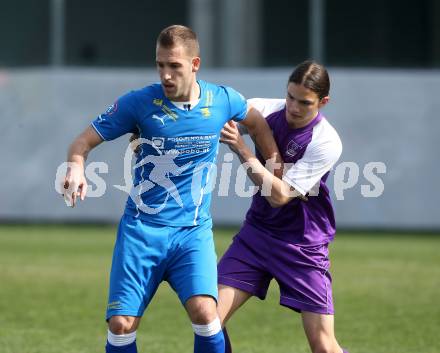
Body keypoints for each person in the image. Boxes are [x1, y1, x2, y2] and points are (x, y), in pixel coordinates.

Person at [61, 25, 280, 353]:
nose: (166, 74)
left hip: (191, 234)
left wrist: (274, 166)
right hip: (141, 232)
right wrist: (76, 166)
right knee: (121, 324)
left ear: (195, 65)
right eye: (160, 64)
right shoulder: (138, 103)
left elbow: (257, 122)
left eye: (174, 65)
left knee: (207, 314)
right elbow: (82, 142)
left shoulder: (222, 100)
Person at [218, 60, 348, 353]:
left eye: (305, 102)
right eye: (290, 96)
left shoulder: (326, 142)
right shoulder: (263, 110)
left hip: (302, 245)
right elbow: (211, 117)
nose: (294, 107)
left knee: (324, 345)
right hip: (258, 234)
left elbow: (278, 196)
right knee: (208, 317)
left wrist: (241, 147)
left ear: (323, 102)